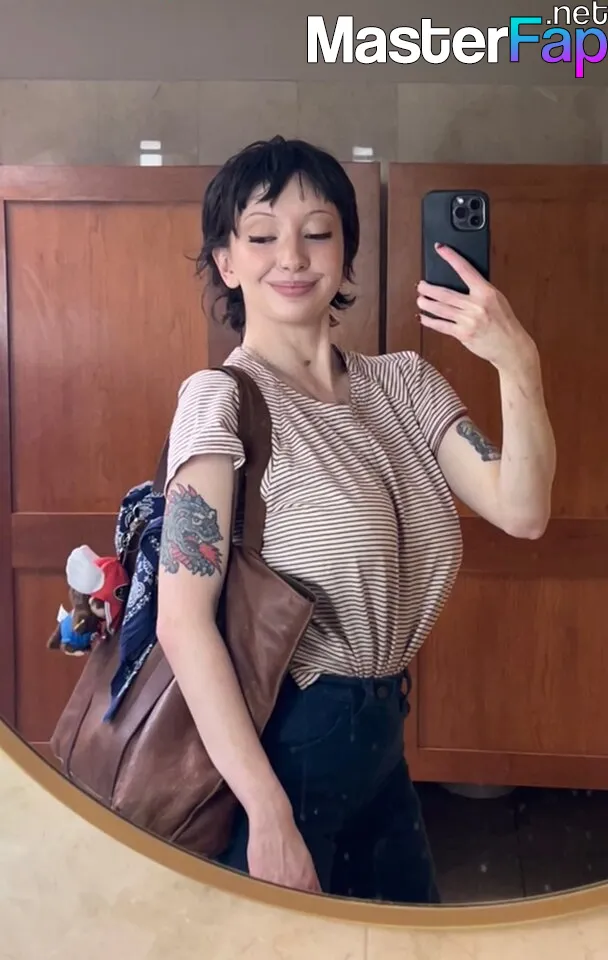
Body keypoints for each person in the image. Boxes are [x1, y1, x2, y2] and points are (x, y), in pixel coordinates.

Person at [155, 135, 556, 903]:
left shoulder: (404, 384)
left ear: (345, 253)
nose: (292, 256)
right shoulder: (221, 402)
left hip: (379, 738)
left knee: (407, 942)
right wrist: (267, 812)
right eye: (262, 236)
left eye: (317, 231)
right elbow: (183, 622)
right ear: (226, 262)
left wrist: (518, 362)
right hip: (286, 745)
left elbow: (523, 509)